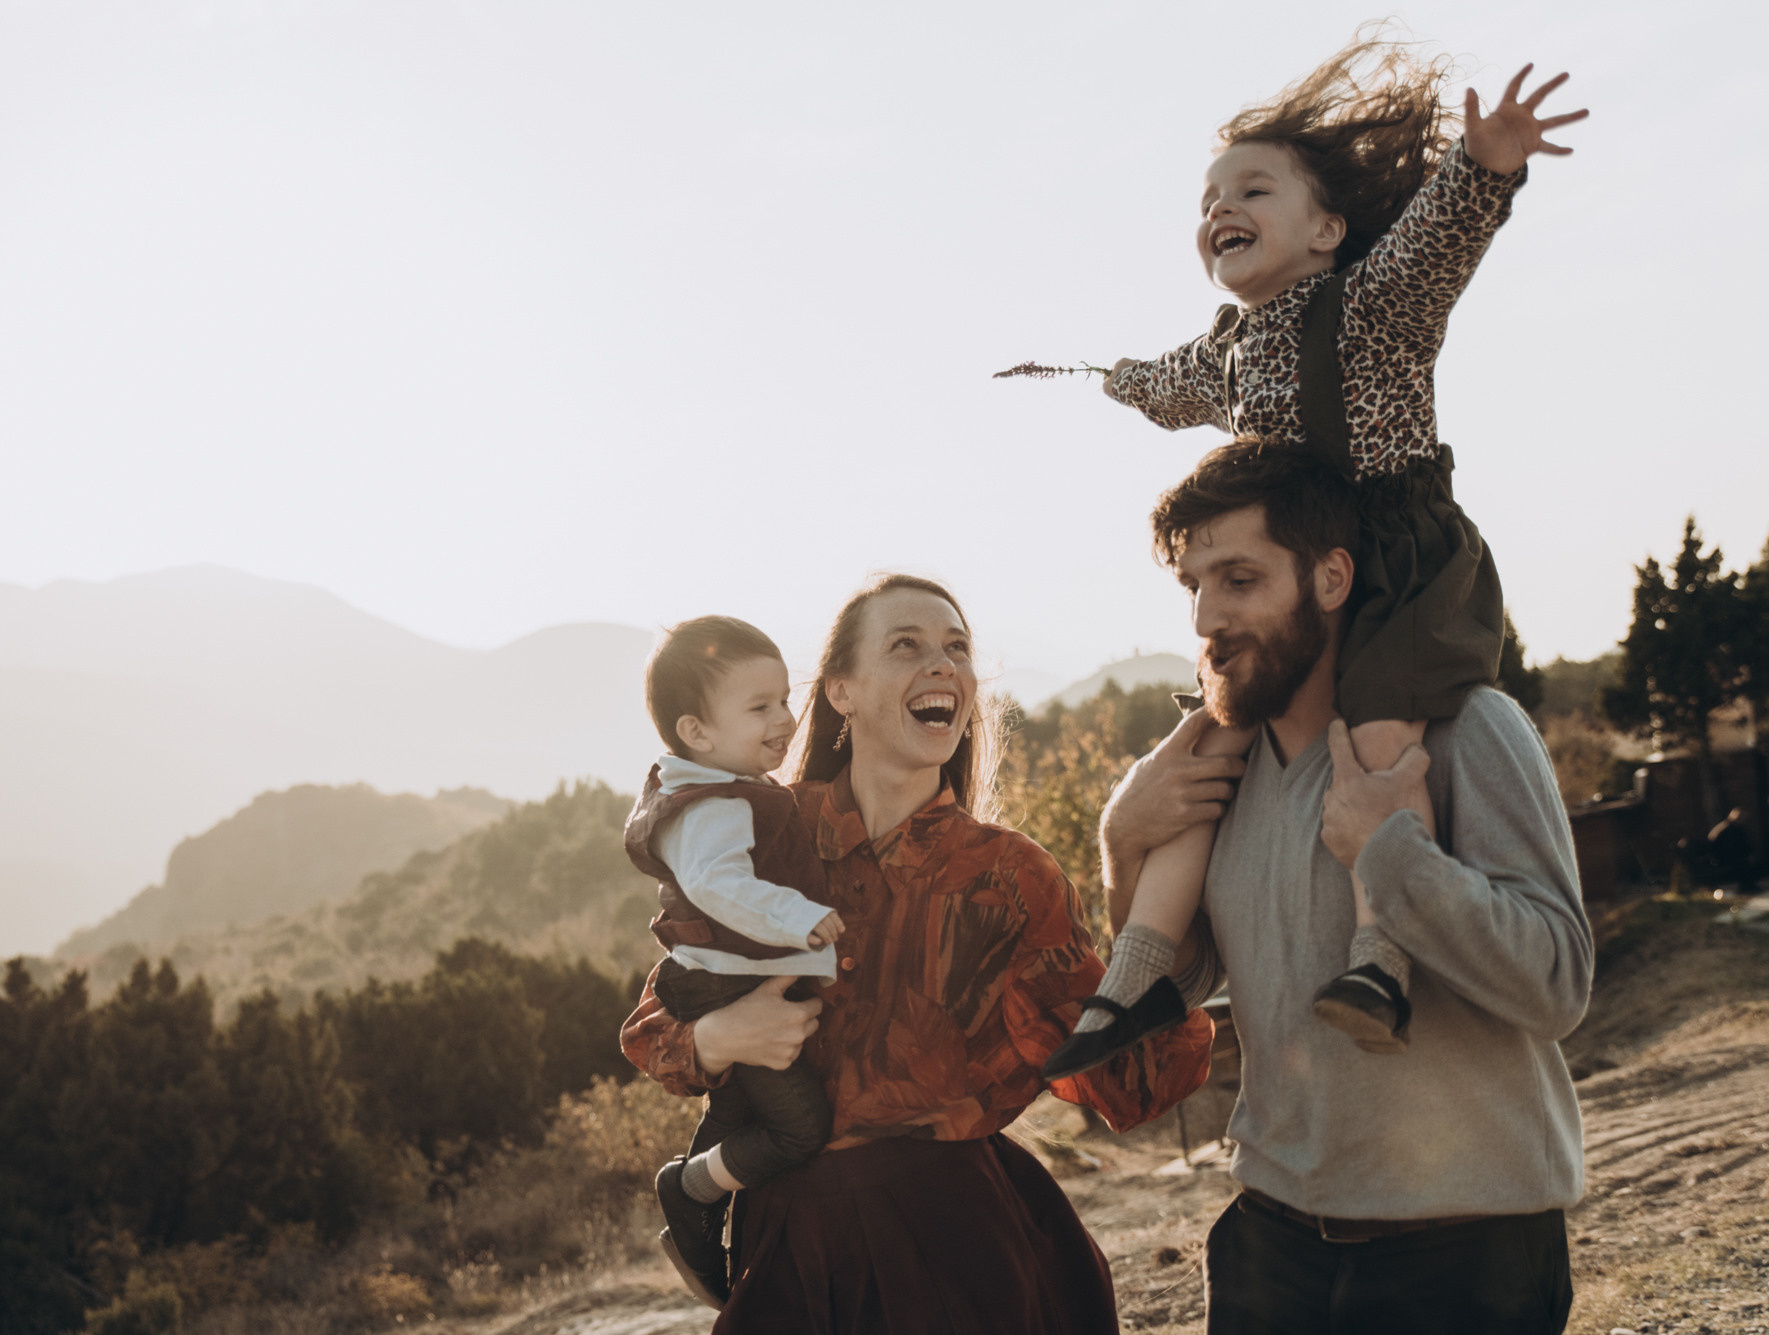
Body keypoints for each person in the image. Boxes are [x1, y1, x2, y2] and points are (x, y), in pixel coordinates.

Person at [1050, 37, 1588, 1072]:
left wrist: (1485, 168)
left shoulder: (1372, 307)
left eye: (1250, 189)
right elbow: (1172, 385)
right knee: (1200, 757)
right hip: (1299, 560)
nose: (1220, 210)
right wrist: (1114, 378)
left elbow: (1436, 243)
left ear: (1326, 229)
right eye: (1208, 201)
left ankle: (1378, 962)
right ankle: (1132, 985)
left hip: (1395, 558)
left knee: (1379, 728)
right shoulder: (1229, 348)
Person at [619, 575, 1213, 1334]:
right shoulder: (759, 830)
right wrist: (715, 1039)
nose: (943, 664)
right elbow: (652, 1022)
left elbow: (1127, 1081)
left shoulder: (1008, 876)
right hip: (787, 1245)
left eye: (957, 648)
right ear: (842, 690)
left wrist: (1130, 862)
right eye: (907, 645)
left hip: (959, 1247)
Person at [1102, 440, 1591, 1333]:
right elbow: (1174, 989)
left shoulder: (1469, 729)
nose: (1208, 616)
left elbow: (1558, 983)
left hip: (1462, 1254)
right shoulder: (1221, 765)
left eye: (1241, 578)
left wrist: (1392, 852)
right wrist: (1122, 842)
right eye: (1195, 586)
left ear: (1330, 578)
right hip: (1270, 1244)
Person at [622, 616, 846, 1308]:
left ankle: (694, 1205)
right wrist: (801, 918)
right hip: (725, 987)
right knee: (799, 1127)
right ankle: (689, 1188)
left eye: (784, 698)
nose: (783, 719)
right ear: (698, 732)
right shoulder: (715, 804)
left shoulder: (716, 784)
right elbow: (720, 885)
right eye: (759, 708)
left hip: (725, 982)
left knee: (741, 1112)